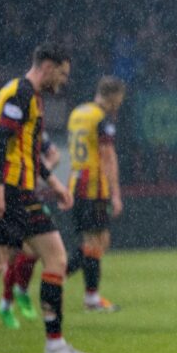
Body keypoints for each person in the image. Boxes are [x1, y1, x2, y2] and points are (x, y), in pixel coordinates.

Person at [0, 41, 94, 353]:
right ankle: (55, 344)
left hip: (23, 191)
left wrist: (54, 183)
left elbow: (28, 152)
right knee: (1, 265)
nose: (62, 81)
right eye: (62, 74)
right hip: (9, 190)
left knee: (53, 258)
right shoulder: (20, 93)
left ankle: (55, 344)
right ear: (47, 67)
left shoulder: (30, 96)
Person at [65, 76, 126, 312]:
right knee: (94, 242)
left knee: (99, 241)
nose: (119, 104)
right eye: (119, 99)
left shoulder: (78, 113)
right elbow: (108, 157)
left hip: (76, 183)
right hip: (93, 186)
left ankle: (61, 277)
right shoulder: (101, 118)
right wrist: (116, 193)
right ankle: (82, 291)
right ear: (113, 97)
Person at [0, 130, 60, 328]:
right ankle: (7, 303)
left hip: (24, 194)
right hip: (5, 194)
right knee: (7, 258)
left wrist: (42, 172)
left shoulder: (34, 131)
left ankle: (14, 296)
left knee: (30, 252)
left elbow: (53, 154)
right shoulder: (5, 127)